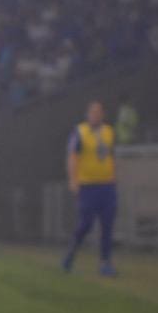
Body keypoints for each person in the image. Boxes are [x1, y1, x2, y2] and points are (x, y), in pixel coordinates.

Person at [62, 100, 118, 276]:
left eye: (99, 112)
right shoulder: (79, 132)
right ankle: (72, 251)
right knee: (86, 224)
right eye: (93, 112)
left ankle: (105, 262)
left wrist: (114, 175)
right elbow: (72, 156)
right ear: (88, 114)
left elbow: (111, 155)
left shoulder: (109, 132)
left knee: (107, 224)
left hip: (107, 185)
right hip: (87, 186)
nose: (96, 115)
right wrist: (73, 180)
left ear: (103, 114)